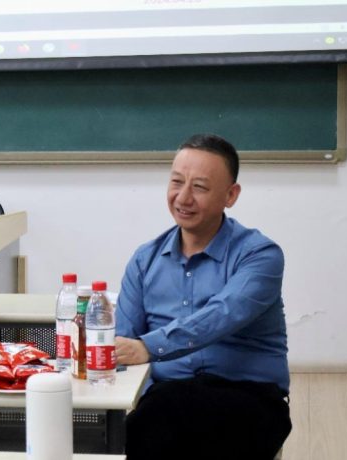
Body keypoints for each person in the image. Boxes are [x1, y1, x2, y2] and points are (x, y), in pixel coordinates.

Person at [116, 134, 292, 460]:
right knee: (146, 422)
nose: (183, 197)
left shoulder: (260, 256)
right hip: (164, 403)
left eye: (199, 187)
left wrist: (147, 347)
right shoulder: (144, 260)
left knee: (164, 418)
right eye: (176, 182)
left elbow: (223, 314)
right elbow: (122, 342)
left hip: (249, 399)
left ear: (231, 195)